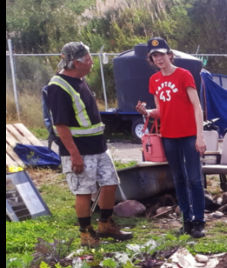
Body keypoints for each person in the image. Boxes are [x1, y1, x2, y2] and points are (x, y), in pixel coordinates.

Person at [46, 42, 131, 247]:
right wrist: (74, 155)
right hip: (79, 150)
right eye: (88, 59)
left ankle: (105, 224)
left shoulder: (80, 79)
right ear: (75, 63)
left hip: (98, 146)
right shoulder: (58, 87)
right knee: (84, 191)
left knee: (110, 184)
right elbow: (60, 125)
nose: (92, 62)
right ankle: (86, 233)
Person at [136, 38, 208, 239]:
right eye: (154, 56)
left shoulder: (183, 75)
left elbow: (196, 106)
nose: (159, 58)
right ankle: (186, 221)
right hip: (168, 135)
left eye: (161, 54)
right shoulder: (154, 80)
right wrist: (147, 111)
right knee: (178, 179)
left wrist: (199, 136)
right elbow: (161, 111)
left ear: (169, 54)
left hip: (189, 134)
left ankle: (199, 221)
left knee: (194, 178)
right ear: (151, 59)